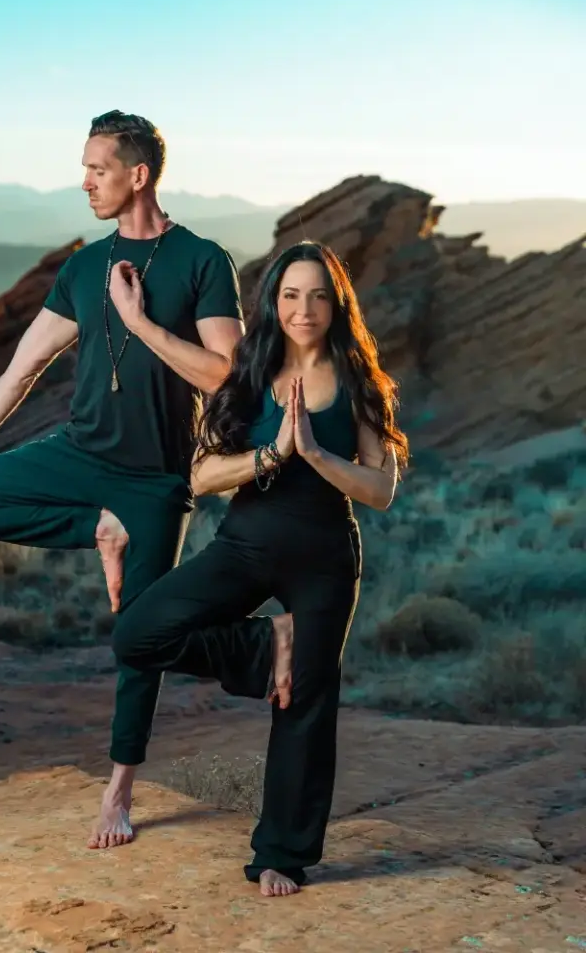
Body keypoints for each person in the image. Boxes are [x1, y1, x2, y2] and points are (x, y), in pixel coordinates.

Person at [0, 110, 244, 849]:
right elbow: (20, 371)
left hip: (155, 481)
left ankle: (119, 794)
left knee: (138, 641)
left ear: (138, 174)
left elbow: (224, 376)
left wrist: (141, 323)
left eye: (98, 169)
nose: (84, 182)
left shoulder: (203, 260)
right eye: (84, 168)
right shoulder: (83, 268)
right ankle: (97, 528)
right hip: (78, 452)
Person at [110, 241, 409, 897]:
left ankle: (282, 855)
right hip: (245, 546)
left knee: (306, 701)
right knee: (138, 634)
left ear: (337, 304)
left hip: (325, 558)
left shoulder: (359, 380)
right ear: (274, 302)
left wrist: (314, 454)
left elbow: (381, 491)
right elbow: (205, 474)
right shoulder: (248, 372)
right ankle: (266, 643)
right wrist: (272, 453)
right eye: (291, 295)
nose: (305, 308)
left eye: (319, 295)